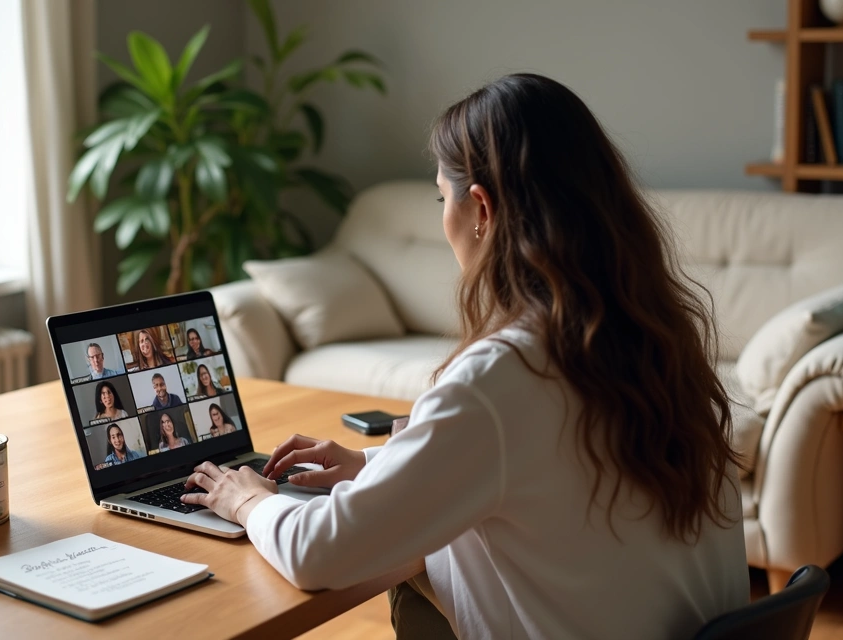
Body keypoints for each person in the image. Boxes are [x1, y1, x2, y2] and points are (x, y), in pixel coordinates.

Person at [181, 73, 749, 639]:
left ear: (481, 207)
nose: (443, 217)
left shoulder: (504, 376)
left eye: (440, 197)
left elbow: (319, 554)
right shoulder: (655, 340)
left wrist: (248, 501)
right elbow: (541, 476)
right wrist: (372, 468)